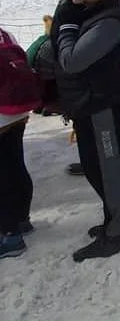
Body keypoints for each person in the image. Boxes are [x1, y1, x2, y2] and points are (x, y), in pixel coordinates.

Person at [51, 0, 120, 262]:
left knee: (109, 169)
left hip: (105, 106)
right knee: (101, 166)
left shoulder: (110, 20)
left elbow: (73, 60)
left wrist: (65, 27)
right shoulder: (96, 13)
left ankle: (119, 231)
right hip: (96, 104)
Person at [0, 26, 40, 258]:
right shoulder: (5, 33)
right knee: (15, 163)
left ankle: (9, 234)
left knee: (3, 172)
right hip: (16, 111)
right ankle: (22, 220)